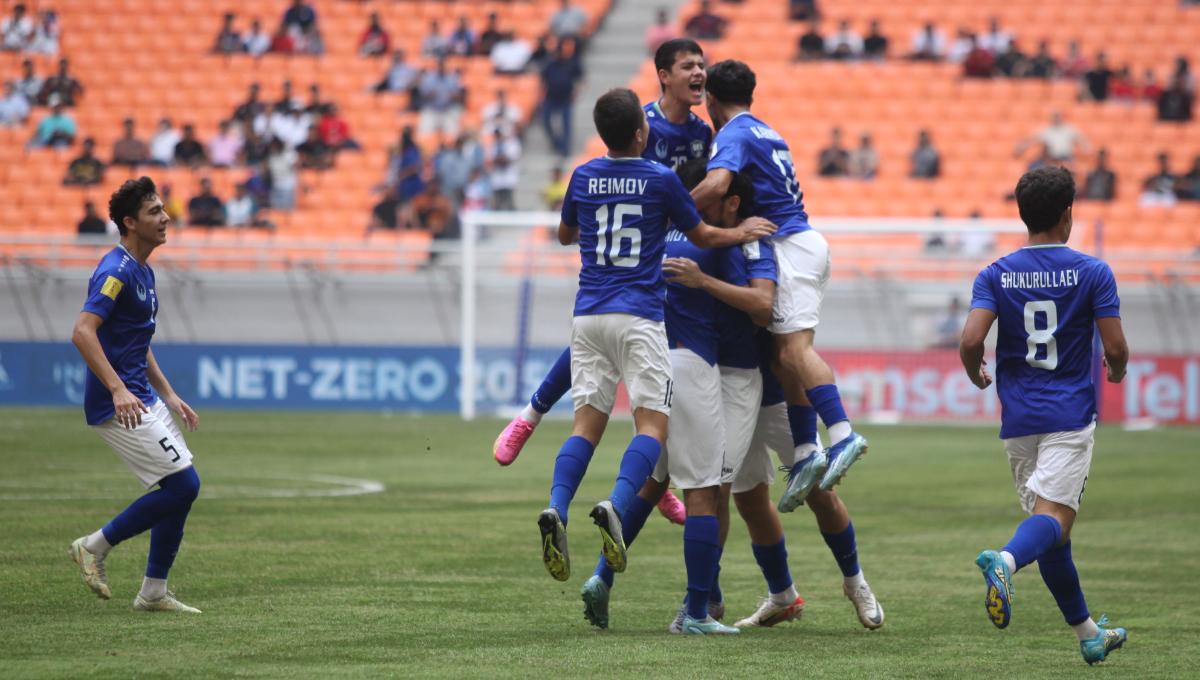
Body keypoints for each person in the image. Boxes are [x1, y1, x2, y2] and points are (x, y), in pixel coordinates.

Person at [536, 88, 774, 638]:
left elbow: (565, 234)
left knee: (586, 425)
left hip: (586, 314)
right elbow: (704, 233)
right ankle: (635, 533)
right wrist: (742, 232)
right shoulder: (661, 181)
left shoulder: (581, 175)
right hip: (641, 320)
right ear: (642, 134)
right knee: (662, 438)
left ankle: (556, 507)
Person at [492, 39, 715, 527]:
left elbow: (566, 231)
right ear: (663, 76)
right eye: (689, 65)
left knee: (603, 403)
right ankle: (532, 417)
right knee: (652, 410)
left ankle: (633, 486)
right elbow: (685, 209)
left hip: (625, 277)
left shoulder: (701, 133)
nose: (700, 72)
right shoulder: (646, 130)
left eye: (703, 64)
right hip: (643, 268)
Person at [579, 162, 782, 633]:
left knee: (653, 485)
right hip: (697, 368)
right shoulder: (719, 242)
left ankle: (601, 578)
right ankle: (697, 609)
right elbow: (763, 308)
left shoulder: (658, 232)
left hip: (651, 366)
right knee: (707, 491)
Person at [961, 165, 1129, 665]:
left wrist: (976, 371)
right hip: (1069, 414)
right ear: (1067, 214)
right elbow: (1116, 346)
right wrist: (1116, 370)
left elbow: (971, 339)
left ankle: (1088, 635)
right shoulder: (1093, 271)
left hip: (1018, 420)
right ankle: (1005, 561)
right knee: (1055, 517)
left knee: (1051, 527)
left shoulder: (995, 273)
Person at [691, 60, 870, 513]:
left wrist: (669, 209)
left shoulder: (731, 133)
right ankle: (807, 452)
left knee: (794, 351)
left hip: (790, 245)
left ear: (711, 99)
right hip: (801, 243)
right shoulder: (769, 132)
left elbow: (716, 183)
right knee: (780, 353)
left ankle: (843, 434)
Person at [68, 176, 203, 614]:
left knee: (179, 487)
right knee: (184, 484)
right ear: (130, 222)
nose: (165, 218)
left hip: (144, 395)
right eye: (154, 212)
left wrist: (170, 393)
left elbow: (135, 342)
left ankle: (153, 593)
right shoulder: (116, 271)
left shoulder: (142, 270)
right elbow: (83, 332)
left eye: (163, 210)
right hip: (118, 403)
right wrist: (118, 388)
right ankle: (94, 546)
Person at [540, 40, 583, 156]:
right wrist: (541, 94)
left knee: (566, 124)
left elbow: (579, 79)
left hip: (565, 98)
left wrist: (576, 93)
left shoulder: (571, 63)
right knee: (545, 120)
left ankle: (565, 149)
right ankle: (556, 142)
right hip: (551, 97)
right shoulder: (550, 64)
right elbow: (543, 80)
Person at [1015, 112, 1089, 164]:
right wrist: (1022, 147)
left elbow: (1081, 139)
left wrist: (1086, 149)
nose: (1056, 118)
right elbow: (1033, 139)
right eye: (1055, 116)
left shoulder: (1069, 129)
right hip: (1051, 159)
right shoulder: (1047, 131)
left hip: (1066, 158)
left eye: (1058, 116)